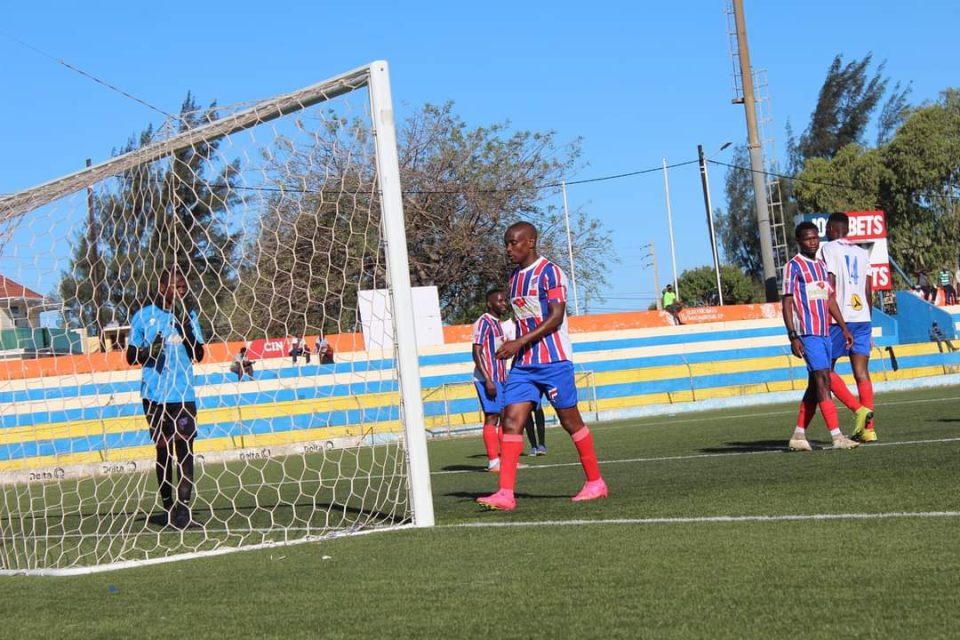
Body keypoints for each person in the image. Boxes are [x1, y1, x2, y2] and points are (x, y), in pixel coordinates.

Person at [477, 221, 607, 510]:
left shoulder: (551, 272)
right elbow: (524, 319)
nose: (508, 248)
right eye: (506, 243)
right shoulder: (514, 278)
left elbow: (555, 317)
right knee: (511, 421)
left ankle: (595, 482)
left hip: (554, 360)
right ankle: (505, 494)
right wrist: (513, 344)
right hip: (524, 364)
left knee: (570, 421)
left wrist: (518, 342)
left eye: (513, 242)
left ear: (531, 242)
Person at [127, 267, 206, 529]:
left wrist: (185, 328)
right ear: (163, 288)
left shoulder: (189, 315)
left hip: (182, 393)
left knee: (185, 449)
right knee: (163, 449)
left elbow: (199, 354)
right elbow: (131, 357)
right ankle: (168, 507)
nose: (181, 290)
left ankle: (183, 510)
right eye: (176, 286)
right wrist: (149, 350)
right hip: (154, 395)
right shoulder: (143, 316)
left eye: (183, 287)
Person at [782, 222, 859, 452]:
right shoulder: (793, 266)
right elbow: (787, 302)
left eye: (815, 237)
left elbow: (830, 299)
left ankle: (798, 435)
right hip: (808, 333)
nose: (813, 242)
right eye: (808, 239)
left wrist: (844, 328)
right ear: (799, 241)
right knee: (823, 380)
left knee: (815, 386)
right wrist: (793, 335)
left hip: (825, 332)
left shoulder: (821, 265)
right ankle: (837, 436)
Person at [818, 213, 877, 442]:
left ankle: (858, 410)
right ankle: (869, 429)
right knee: (862, 373)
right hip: (863, 317)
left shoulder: (828, 249)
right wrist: (869, 324)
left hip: (839, 318)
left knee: (824, 370)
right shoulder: (862, 253)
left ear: (831, 228)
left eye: (827, 229)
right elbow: (869, 291)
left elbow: (829, 285)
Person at [471, 289, 510, 472]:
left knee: (505, 417)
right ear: (489, 303)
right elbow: (476, 352)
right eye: (499, 301)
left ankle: (506, 461)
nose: (503, 304)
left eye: (504, 300)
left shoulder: (498, 324)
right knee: (492, 417)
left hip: (501, 378)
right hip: (488, 378)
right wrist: (488, 380)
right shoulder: (483, 322)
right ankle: (494, 462)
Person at [502, 311, 547, 457]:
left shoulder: (531, 322)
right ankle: (533, 445)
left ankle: (542, 444)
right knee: (524, 410)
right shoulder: (506, 327)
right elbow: (502, 347)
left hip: (534, 367)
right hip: (518, 370)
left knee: (537, 408)